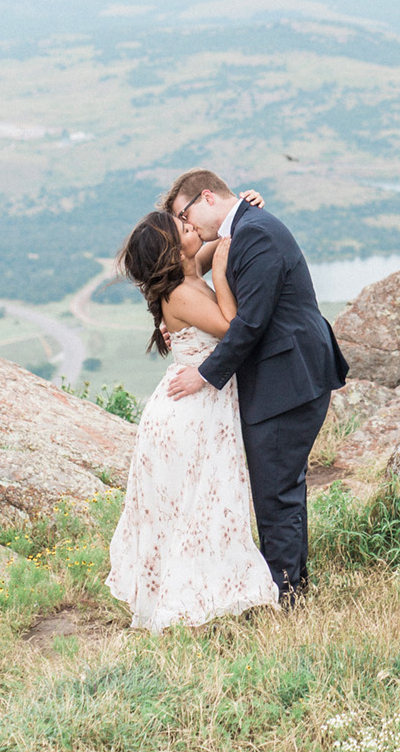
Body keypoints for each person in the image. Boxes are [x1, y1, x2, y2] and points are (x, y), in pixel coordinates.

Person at [163, 167, 348, 606]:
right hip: (283, 377)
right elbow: (195, 282)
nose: (188, 227)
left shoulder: (255, 233)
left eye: (185, 215)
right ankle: (292, 588)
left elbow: (251, 323)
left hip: (288, 379)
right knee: (280, 488)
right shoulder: (243, 229)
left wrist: (205, 372)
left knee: (275, 493)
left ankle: (285, 598)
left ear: (206, 197)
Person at [104, 200, 278, 631]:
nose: (190, 224)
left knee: (202, 504)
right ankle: (196, 601)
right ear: (172, 248)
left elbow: (220, 233)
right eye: (182, 225)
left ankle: (212, 593)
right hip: (193, 412)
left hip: (201, 404)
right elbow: (234, 326)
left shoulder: (186, 271)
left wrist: (242, 203)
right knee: (201, 504)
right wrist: (220, 274)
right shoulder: (182, 291)